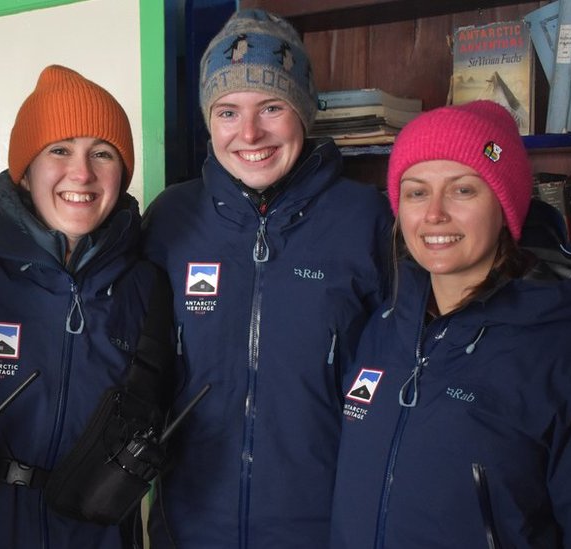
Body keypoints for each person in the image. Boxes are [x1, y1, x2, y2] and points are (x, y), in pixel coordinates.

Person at [141, 8, 394, 548]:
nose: (250, 133)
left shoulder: (368, 221)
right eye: (228, 111)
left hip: (325, 527)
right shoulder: (169, 221)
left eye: (271, 107)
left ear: (303, 110)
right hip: (187, 526)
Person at [329, 100, 571, 548]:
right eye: (417, 192)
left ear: (506, 206)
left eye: (463, 190)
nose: (434, 214)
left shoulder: (570, 353)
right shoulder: (383, 328)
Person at [0, 64, 172, 548]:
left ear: (122, 174)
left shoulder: (148, 287)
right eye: (59, 150)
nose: (81, 173)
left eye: (102, 153)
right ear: (26, 170)